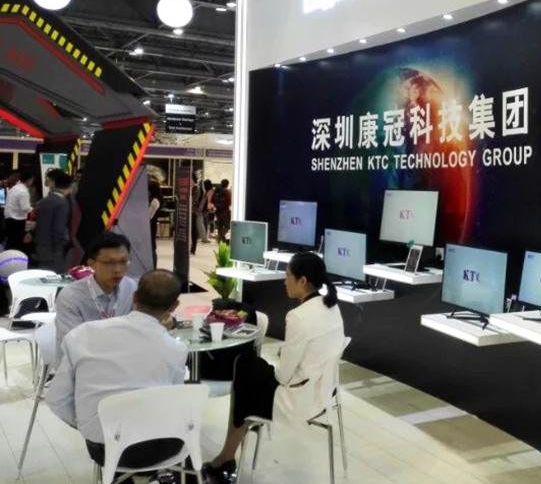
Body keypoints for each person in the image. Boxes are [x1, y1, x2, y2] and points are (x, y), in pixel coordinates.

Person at [203, 253, 345, 483]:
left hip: (298, 399)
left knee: (244, 370)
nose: (284, 281)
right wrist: (289, 353)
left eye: (288, 276)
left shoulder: (298, 316)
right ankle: (228, 453)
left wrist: (286, 354)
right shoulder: (331, 307)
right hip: (325, 392)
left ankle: (226, 456)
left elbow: (282, 375)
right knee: (249, 373)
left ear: (302, 281)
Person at [46, 270, 188, 471]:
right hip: (161, 447)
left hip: (104, 449)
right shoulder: (175, 349)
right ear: (174, 306)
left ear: (134, 297)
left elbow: (57, 399)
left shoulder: (82, 335)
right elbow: (175, 401)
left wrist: (87, 423)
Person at [53, 231, 137, 357]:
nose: (118, 269)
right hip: (82, 361)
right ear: (92, 264)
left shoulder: (131, 287)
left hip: (122, 358)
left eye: (124, 261)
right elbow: (72, 344)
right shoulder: (71, 296)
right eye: (110, 263)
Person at [34, 169, 72, 272]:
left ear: (52, 182)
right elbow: (59, 229)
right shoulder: (62, 203)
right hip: (54, 250)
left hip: (42, 247)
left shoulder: (43, 202)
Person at [4, 171, 33, 251]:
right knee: (17, 243)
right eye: (32, 180)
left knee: (11, 242)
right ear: (28, 180)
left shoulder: (15, 188)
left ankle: (7, 257)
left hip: (9, 218)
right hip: (17, 221)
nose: (32, 182)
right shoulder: (23, 191)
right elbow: (26, 208)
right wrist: (34, 209)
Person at [148, 181, 162, 268]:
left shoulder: (155, 201)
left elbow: (149, 215)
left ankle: (153, 266)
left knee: (152, 246)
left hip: (151, 225)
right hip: (152, 225)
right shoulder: (154, 199)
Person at [213, 179, 231, 243]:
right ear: (227, 184)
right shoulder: (227, 192)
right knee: (227, 226)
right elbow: (229, 202)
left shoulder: (217, 191)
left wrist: (217, 206)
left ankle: (220, 239)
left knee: (219, 226)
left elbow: (213, 200)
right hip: (225, 212)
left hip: (218, 211)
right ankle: (220, 236)